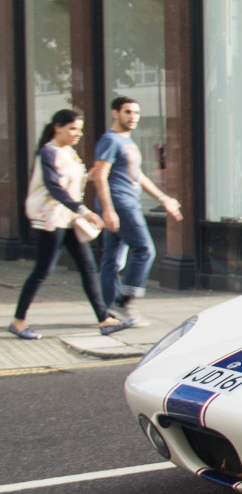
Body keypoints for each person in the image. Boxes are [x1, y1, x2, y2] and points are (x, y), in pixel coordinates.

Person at [9, 109, 133, 340]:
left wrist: (91, 175)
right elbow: (54, 187)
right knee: (42, 271)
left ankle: (104, 319)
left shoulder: (70, 153)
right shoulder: (48, 152)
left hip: (67, 219)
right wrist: (84, 211)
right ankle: (18, 322)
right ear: (58, 127)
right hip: (50, 219)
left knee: (87, 268)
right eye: (73, 128)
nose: (78, 134)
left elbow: (72, 183)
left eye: (80, 130)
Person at [91, 96, 182, 327]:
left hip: (126, 202)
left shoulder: (126, 141)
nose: (133, 117)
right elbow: (100, 175)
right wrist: (109, 210)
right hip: (121, 204)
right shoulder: (110, 140)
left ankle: (110, 312)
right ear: (115, 113)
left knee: (111, 259)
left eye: (136, 113)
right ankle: (125, 302)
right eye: (127, 112)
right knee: (144, 250)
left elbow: (137, 175)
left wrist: (163, 198)